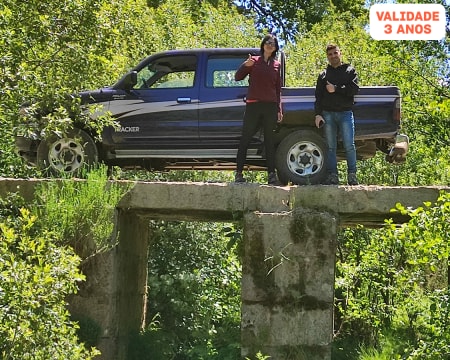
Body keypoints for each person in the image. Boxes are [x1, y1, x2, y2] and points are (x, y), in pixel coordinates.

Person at [234, 34, 283, 186]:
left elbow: (278, 89)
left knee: (269, 141)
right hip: (254, 105)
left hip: (270, 107)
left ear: (275, 48)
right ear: (263, 45)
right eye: (267, 42)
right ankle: (239, 173)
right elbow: (237, 77)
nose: (270, 45)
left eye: (273, 44)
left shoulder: (276, 65)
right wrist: (245, 66)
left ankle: (271, 175)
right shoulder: (253, 61)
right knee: (246, 138)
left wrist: (279, 109)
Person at [314, 44, 360, 186]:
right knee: (330, 147)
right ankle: (332, 175)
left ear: (340, 53)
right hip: (327, 114)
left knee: (349, 145)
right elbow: (318, 97)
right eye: (330, 54)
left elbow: (354, 89)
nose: (333, 56)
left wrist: (336, 89)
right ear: (327, 57)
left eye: (335, 53)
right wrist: (317, 114)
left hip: (345, 113)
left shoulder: (350, 71)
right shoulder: (323, 75)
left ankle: (352, 175)